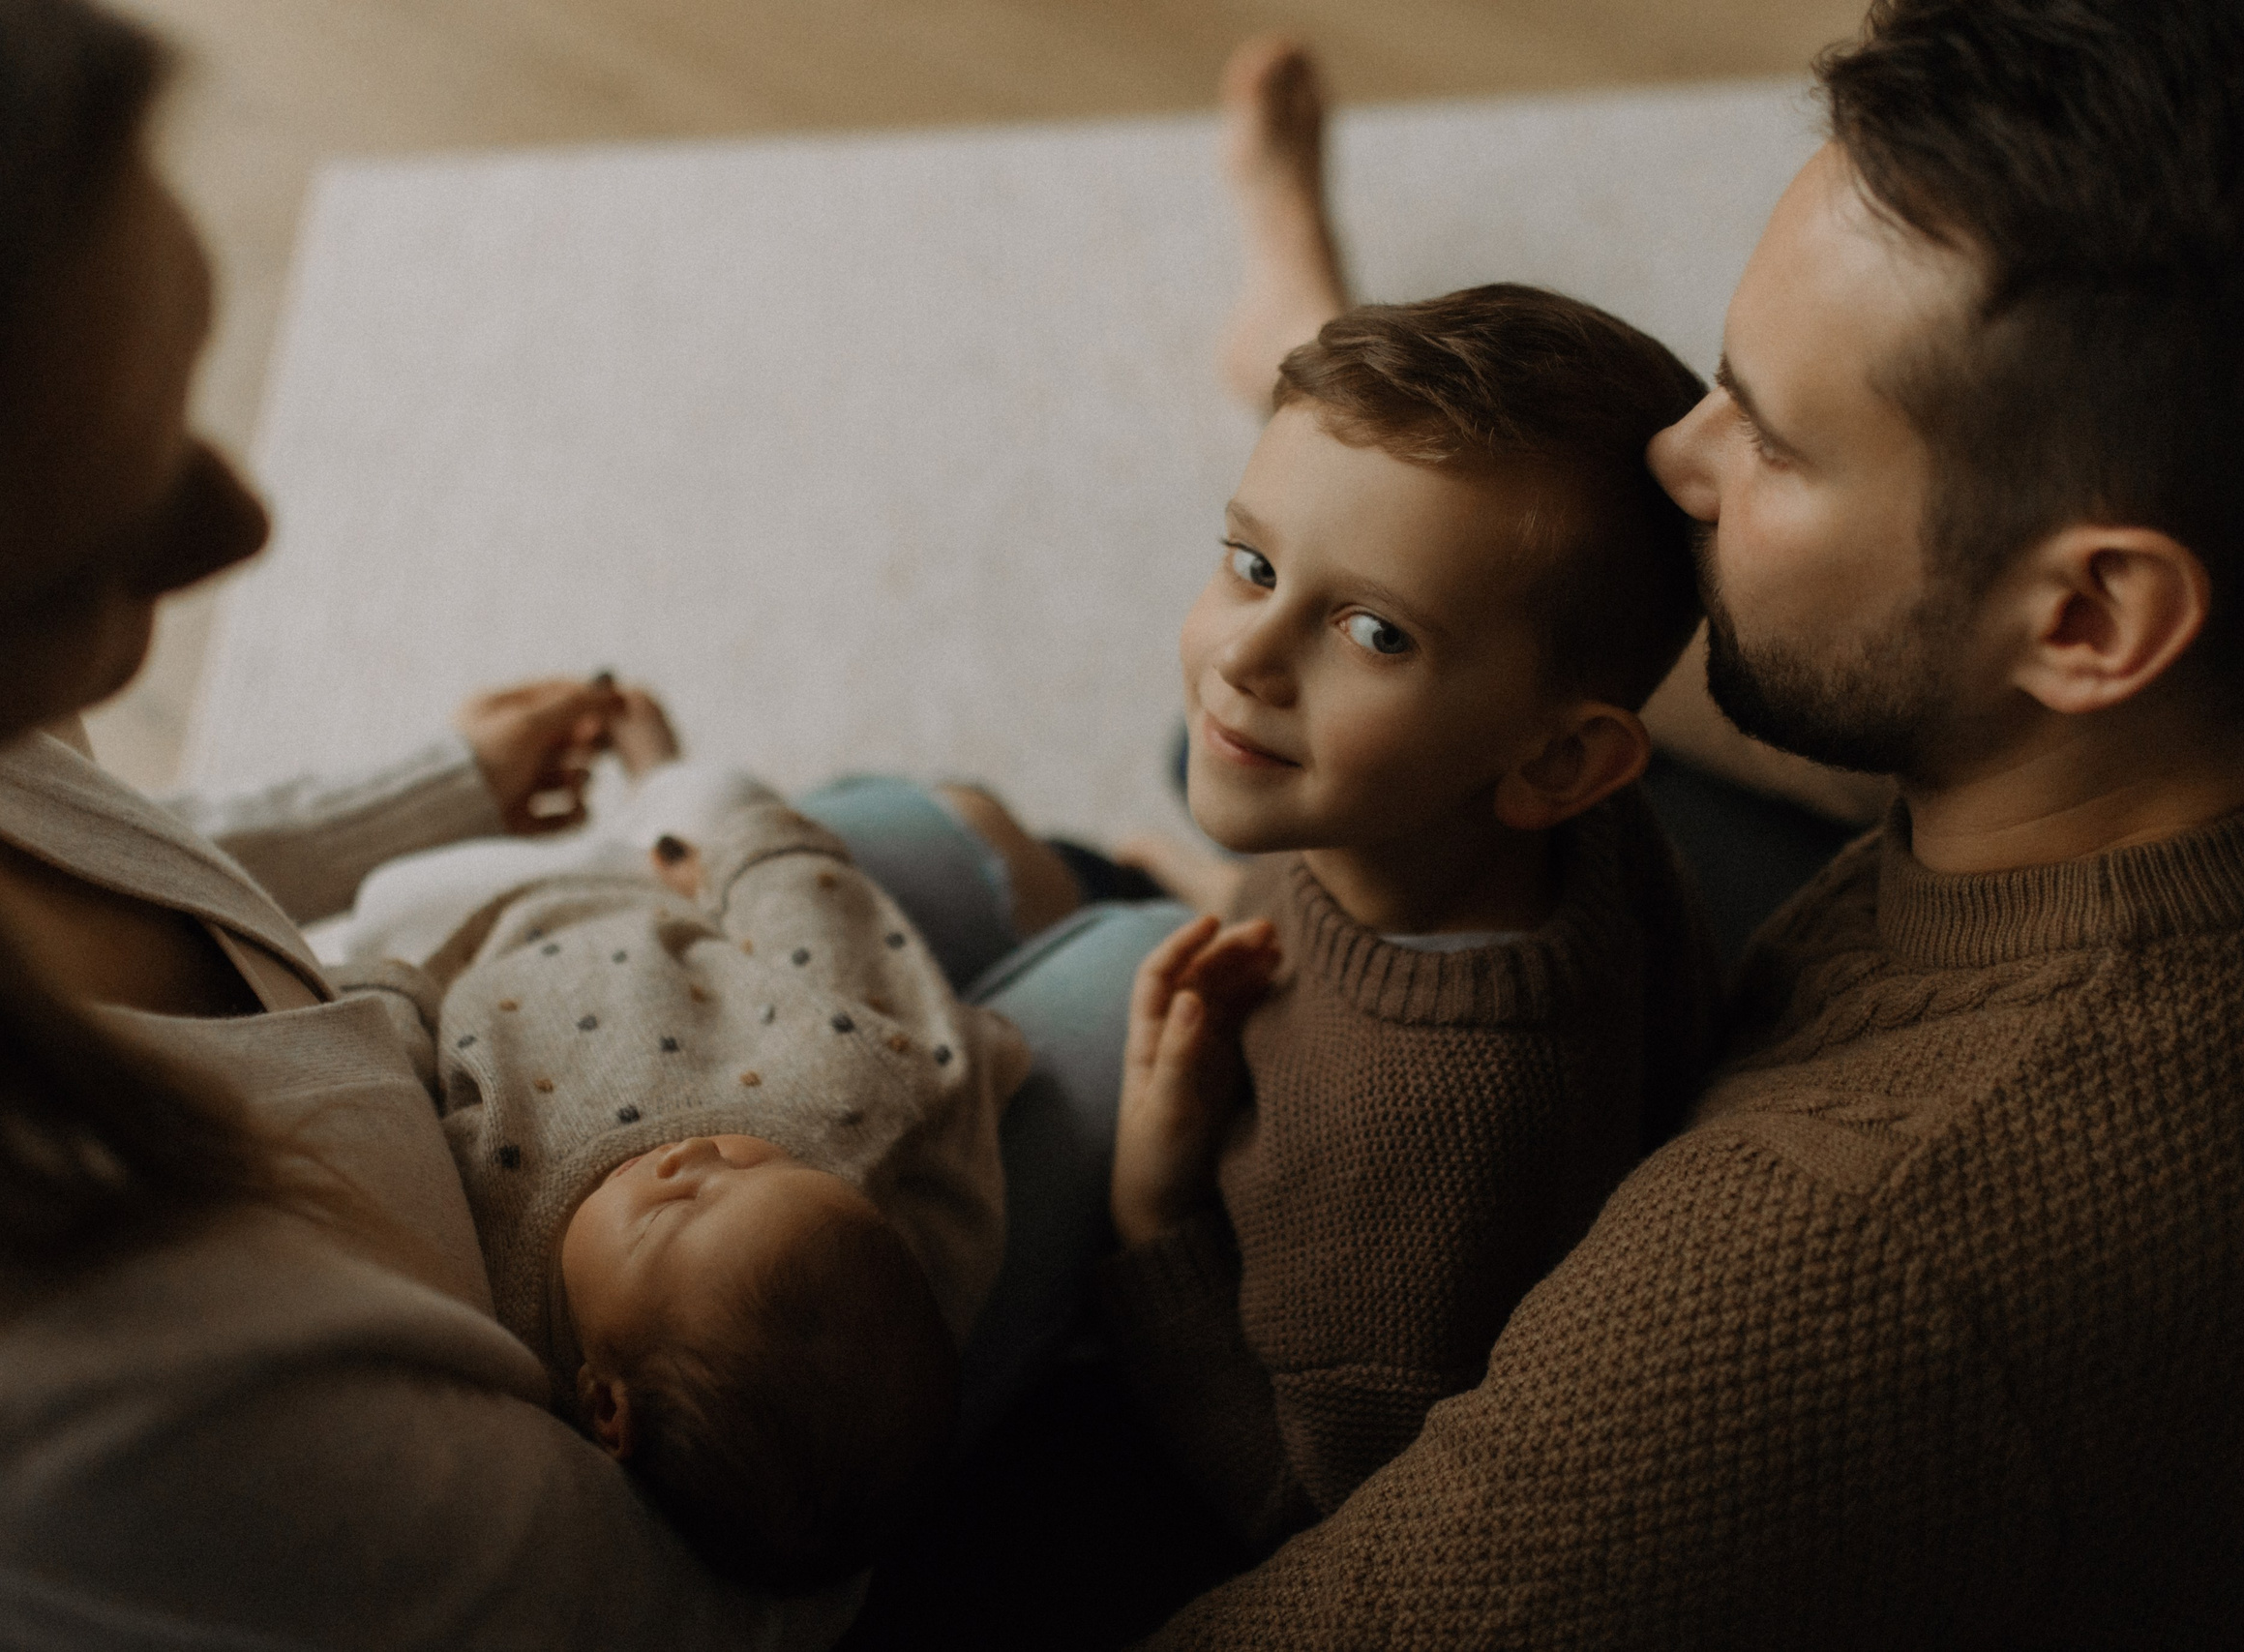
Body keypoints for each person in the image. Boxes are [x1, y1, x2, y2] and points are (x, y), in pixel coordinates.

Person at [1123, 2, 2244, 1642]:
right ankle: (1303, 354)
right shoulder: (2145, 713)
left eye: (1770, 438)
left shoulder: (1819, 1264)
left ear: (2090, 620)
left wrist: (1146, 1241)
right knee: (1368, 685)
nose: (1679, 453)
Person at [0, 1, 854, 1643]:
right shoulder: (69, 1420)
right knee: (1069, 969)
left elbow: (116, 837)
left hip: (461, 1080)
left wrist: (425, 796)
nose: (246, 524)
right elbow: (679, 1610)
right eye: (97, 539)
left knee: (878, 833)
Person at [1097, 288, 1720, 1552]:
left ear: (1559, 763)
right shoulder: (1523, 827)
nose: (1247, 655)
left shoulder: (1418, 1146)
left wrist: (1150, 1214)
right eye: (1254, 565)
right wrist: (1230, 896)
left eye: (1375, 631)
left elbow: (1317, 1506)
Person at [337, 688, 1025, 1588]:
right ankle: (661, 772)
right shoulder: (839, 1104)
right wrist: (750, 861)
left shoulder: (491, 1289)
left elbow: (387, 1103)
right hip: (660, 890)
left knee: (382, 897)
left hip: (475, 937)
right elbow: (827, 940)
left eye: (673, 1207)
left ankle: (656, 793)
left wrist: (376, 1003)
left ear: (605, 1404)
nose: (697, 1155)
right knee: (722, 792)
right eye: (759, 1164)